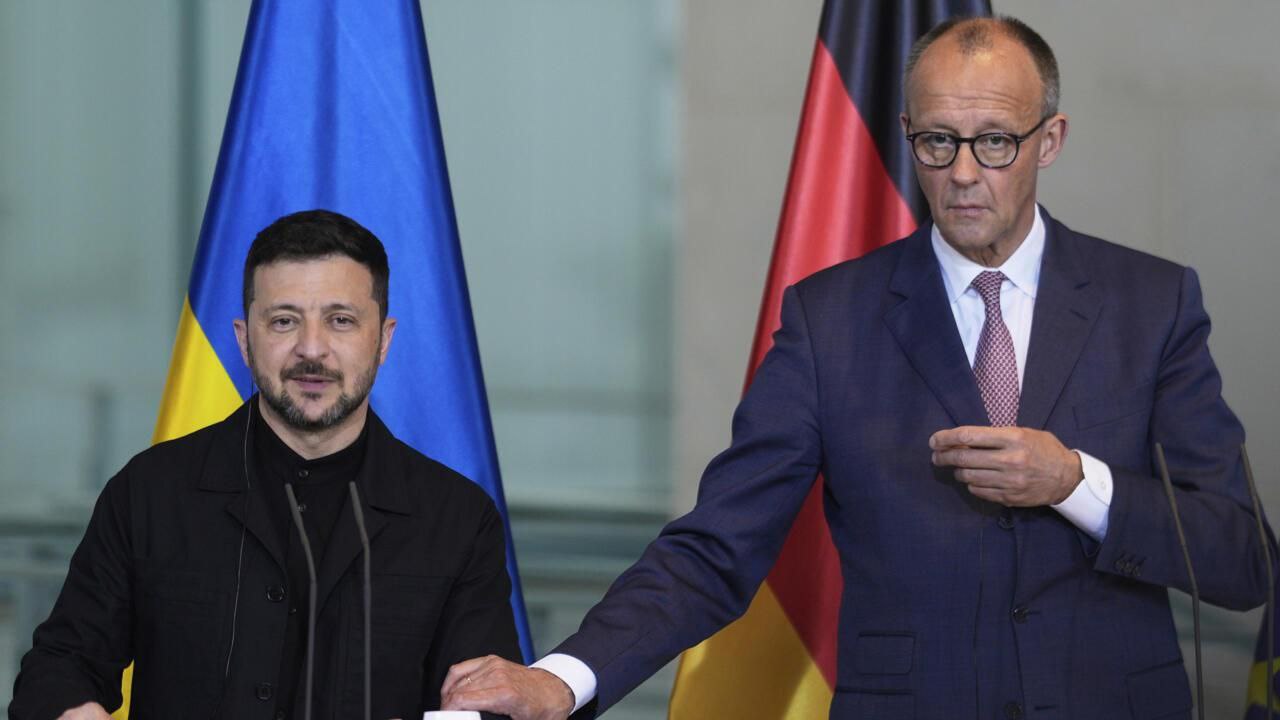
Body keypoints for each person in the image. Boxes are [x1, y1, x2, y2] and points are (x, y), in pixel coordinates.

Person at [438, 16, 1273, 720]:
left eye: (994, 141)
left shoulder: (1150, 303)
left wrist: (1075, 483)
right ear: (907, 134)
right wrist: (563, 678)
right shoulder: (830, 319)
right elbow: (718, 545)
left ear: (1048, 140)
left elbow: (1241, 559)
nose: (963, 173)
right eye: (937, 141)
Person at [10, 210, 521, 719]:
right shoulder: (148, 492)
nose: (312, 349)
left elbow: (488, 706)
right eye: (284, 321)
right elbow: (59, 668)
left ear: (383, 339)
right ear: (243, 340)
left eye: (341, 320)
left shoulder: (459, 518)